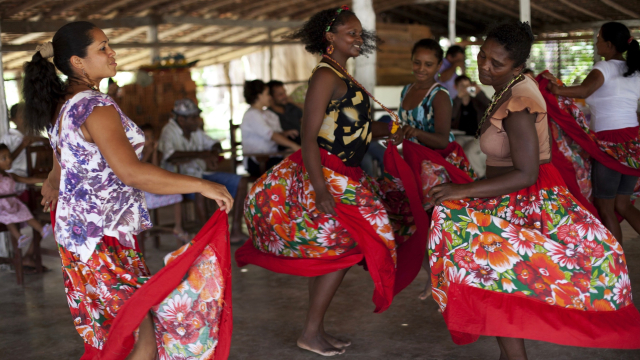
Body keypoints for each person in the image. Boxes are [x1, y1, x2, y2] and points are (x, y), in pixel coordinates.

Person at [427, 21, 640, 358]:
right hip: (511, 191)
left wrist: (461, 191)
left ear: (517, 66)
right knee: (497, 283)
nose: (484, 65)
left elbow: (525, 173)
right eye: (482, 56)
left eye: (496, 63)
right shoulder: (511, 84)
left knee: (501, 283)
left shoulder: (519, 101)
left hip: (523, 195)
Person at [26, 22, 233, 359]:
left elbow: (64, 153)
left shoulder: (64, 103)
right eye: (102, 48)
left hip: (81, 232)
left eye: (109, 45)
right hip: (100, 236)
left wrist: (52, 179)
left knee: (119, 329)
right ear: (77, 61)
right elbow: (132, 173)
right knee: (141, 335)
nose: (113, 53)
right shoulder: (95, 106)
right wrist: (203, 184)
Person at [236, 6, 429, 356]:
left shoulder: (343, 73)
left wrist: (389, 130)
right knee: (349, 246)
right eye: (351, 33)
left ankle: (314, 330)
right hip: (326, 173)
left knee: (336, 249)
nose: (358, 39)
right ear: (330, 38)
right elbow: (309, 138)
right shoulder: (325, 76)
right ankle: (311, 331)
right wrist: (321, 190)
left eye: (359, 33)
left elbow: (352, 127)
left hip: (347, 173)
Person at [543, 22, 640, 246]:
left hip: (610, 145)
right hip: (634, 144)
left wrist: (556, 89)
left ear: (608, 44)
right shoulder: (635, 71)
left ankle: (616, 266)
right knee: (623, 205)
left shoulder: (603, 68)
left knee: (605, 206)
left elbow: (585, 90)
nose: (596, 42)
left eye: (598, 39)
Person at [398, 39, 477, 300]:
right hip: (411, 166)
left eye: (428, 64)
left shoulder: (440, 95)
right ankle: (434, 279)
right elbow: (403, 128)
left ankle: (452, 285)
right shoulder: (406, 90)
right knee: (413, 227)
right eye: (417, 62)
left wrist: (415, 132)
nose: (421, 68)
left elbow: (443, 140)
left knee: (439, 231)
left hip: (436, 169)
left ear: (438, 66)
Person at [158, 98, 249, 243]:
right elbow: (170, 155)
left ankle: (236, 231)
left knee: (241, 182)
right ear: (181, 119)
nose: (197, 120)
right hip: (178, 180)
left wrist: (213, 152)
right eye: (193, 117)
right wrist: (201, 154)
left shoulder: (195, 131)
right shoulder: (169, 131)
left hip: (201, 174)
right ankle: (209, 237)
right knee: (201, 190)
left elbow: (215, 143)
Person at [0, 144, 52, 266]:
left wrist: (47, 180)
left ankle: (42, 229)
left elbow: (28, 180)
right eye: (4, 158)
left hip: (13, 203)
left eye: (9, 157)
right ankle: (19, 237)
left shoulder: (11, 175)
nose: (9, 160)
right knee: (8, 219)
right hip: (2, 207)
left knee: (26, 213)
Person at [139, 124, 189, 243]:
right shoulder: (136, 152)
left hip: (154, 186)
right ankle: (144, 228)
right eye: (146, 138)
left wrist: (154, 152)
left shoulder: (155, 151)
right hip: (143, 189)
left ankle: (178, 226)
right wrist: (148, 153)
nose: (150, 140)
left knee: (177, 195)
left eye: (151, 137)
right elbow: (139, 169)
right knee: (146, 206)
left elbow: (156, 168)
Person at [241, 80, 300, 177]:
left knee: (294, 155)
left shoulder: (269, 114)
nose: (270, 97)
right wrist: (295, 146)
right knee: (294, 156)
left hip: (273, 155)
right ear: (259, 96)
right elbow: (271, 135)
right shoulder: (252, 115)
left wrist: (285, 134)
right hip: (258, 161)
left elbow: (275, 134)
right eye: (268, 94)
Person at [0, 103, 44, 195]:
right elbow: (4, 159)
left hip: (36, 175)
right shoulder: (8, 138)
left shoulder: (34, 134)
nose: (26, 119)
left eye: (28, 115)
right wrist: (22, 146)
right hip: (16, 179)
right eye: (22, 116)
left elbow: (51, 144)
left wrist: (37, 139)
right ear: (13, 120)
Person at [267, 80, 303, 144]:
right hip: (283, 148)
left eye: (285, 93)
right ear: (271, 97)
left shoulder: (293, 107)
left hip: (302, 143)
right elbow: (269, 135)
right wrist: (284, 134)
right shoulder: (267, 114)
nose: (285, 96)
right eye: (280, 94)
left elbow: (307, 120)